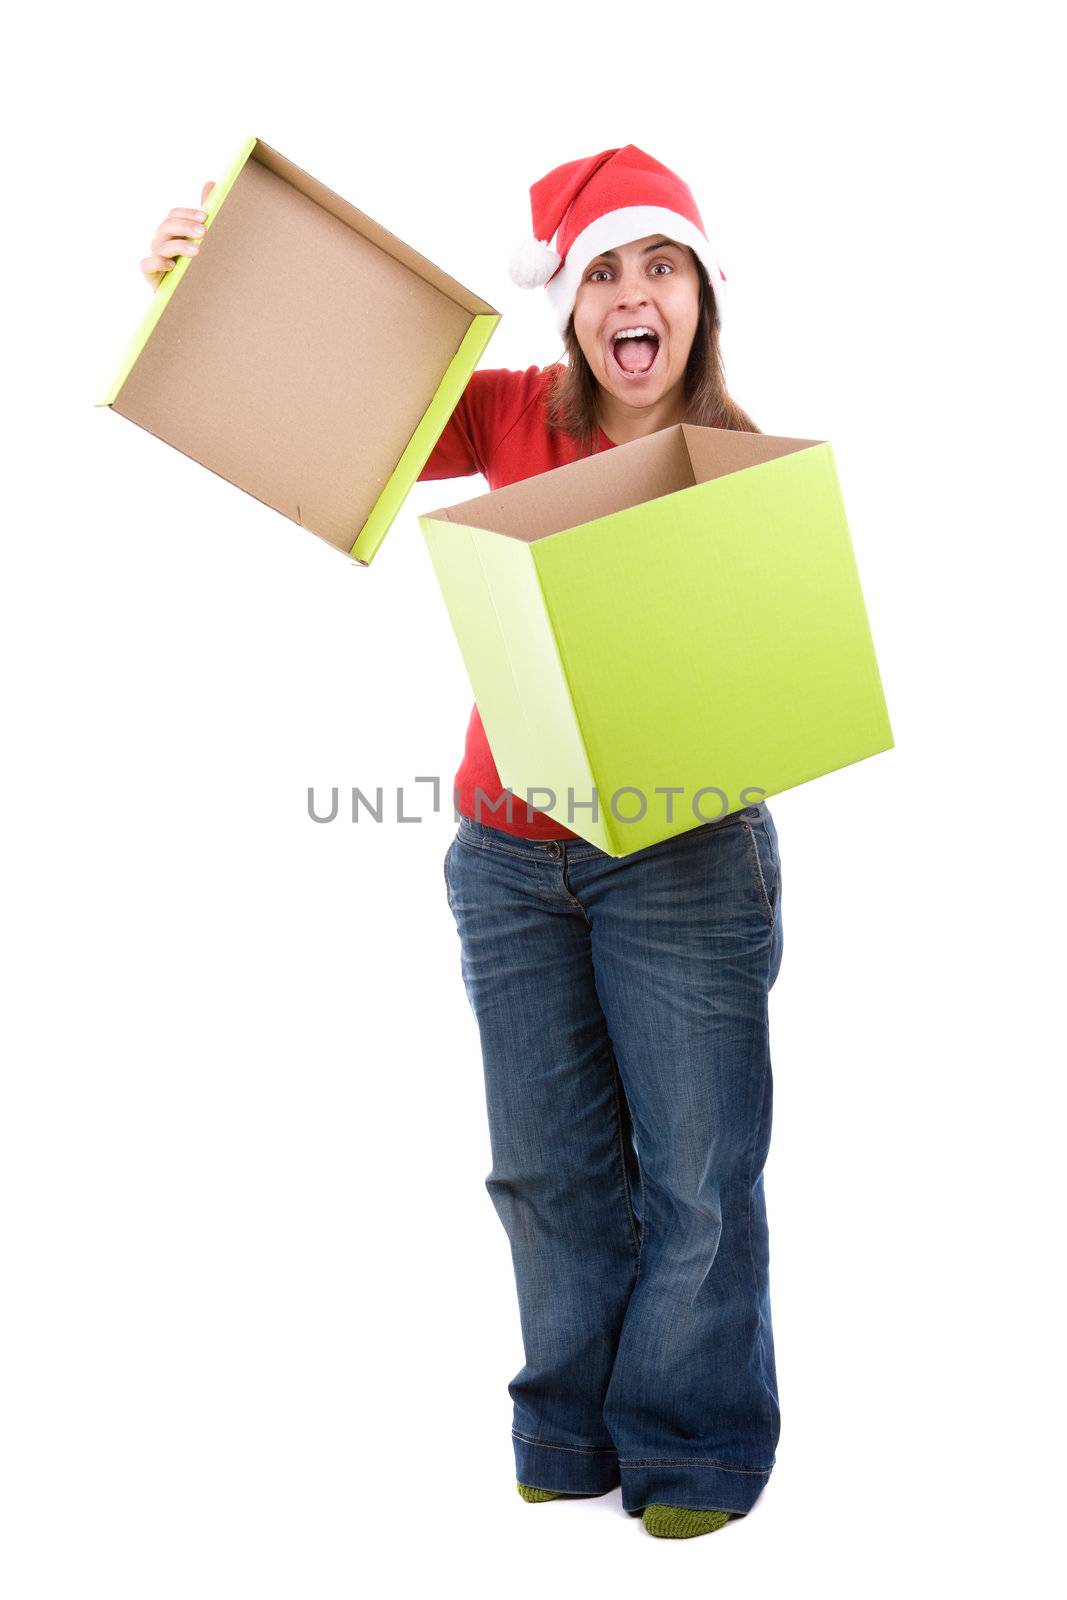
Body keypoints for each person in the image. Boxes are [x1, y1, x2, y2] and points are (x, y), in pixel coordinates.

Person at [141, 145, 784, 1541]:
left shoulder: (738, 471)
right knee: (548, 1171)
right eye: (603, 269)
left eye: (658, 265)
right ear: (571, 305)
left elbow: (776, 683)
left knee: (696, 1178)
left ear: (697, 298)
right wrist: (213, 285)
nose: (632, 294)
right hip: (508, 866)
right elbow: (336, 409)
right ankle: (566, 1426)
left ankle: (692, 1450)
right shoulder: (507, 418)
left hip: (683, 865)